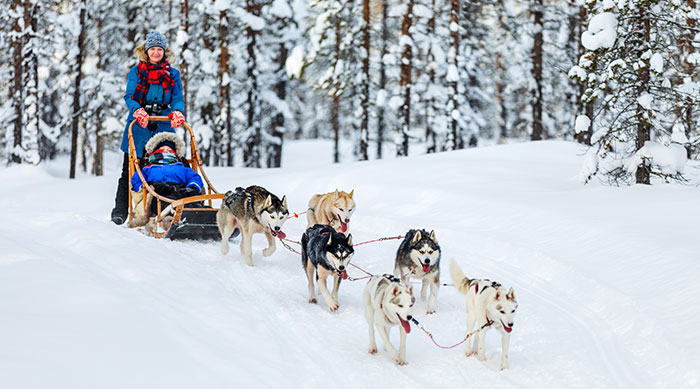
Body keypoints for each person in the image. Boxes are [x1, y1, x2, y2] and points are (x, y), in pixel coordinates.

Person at [111, 30, 186, 225]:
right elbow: (130, 96)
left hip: (163, 123)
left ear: (164, 51)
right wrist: (138, 110)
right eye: (152, 49)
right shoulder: (137, 71)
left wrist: (177, 111)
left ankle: (173, 207)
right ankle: (120, 211)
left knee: (169, 166)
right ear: (146, 51)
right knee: (130, 169)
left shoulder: (173, 74)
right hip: (139, 127)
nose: (155, 53)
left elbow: (177, 97)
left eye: (159, 49)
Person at [128, 132, 203, 229]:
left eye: (169, 150)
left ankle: (209, 217)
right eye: (163, 149)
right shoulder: (148, 168)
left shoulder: (181, 167)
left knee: (193, 203)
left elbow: (194, 177)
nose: (166, 151)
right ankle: (171, 219)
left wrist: (192, 187)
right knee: (167, 205)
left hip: (181, 191)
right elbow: (136, 182)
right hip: (159, 194)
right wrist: (151, 185)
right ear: (155, 152)